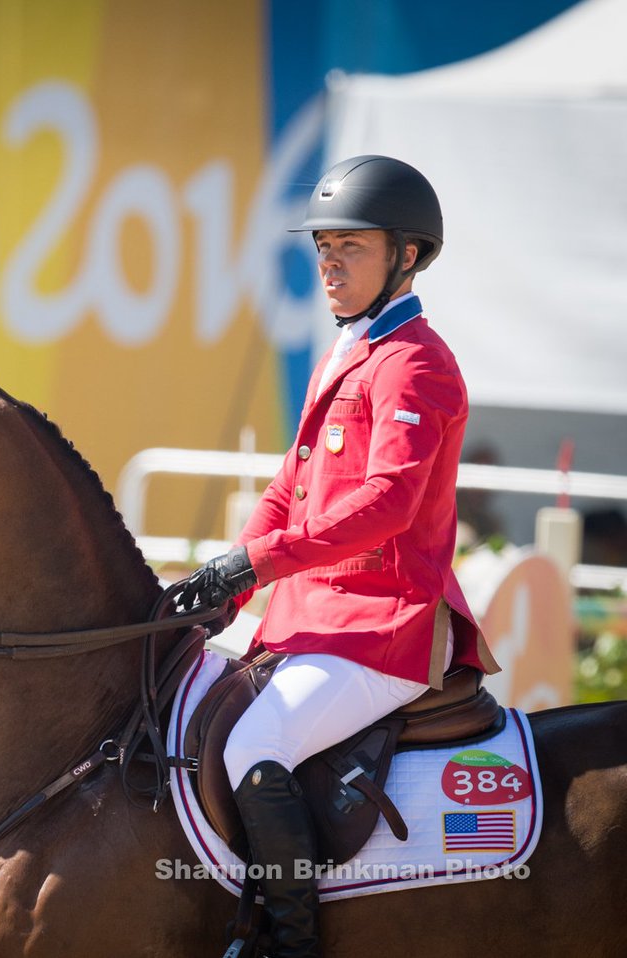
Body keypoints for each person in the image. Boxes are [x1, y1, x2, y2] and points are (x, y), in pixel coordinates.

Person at [179, 155, 500, 957]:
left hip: (382, 623)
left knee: (255, 745)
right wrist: (231, 575)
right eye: (323, 247)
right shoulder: (347, 352)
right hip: (312, 617)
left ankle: (290, 944)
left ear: (408, 255)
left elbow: (387, 508)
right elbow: (291, 487)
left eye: (349, 247)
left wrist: (260, 563)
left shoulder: (418, 364)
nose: (328, 262)